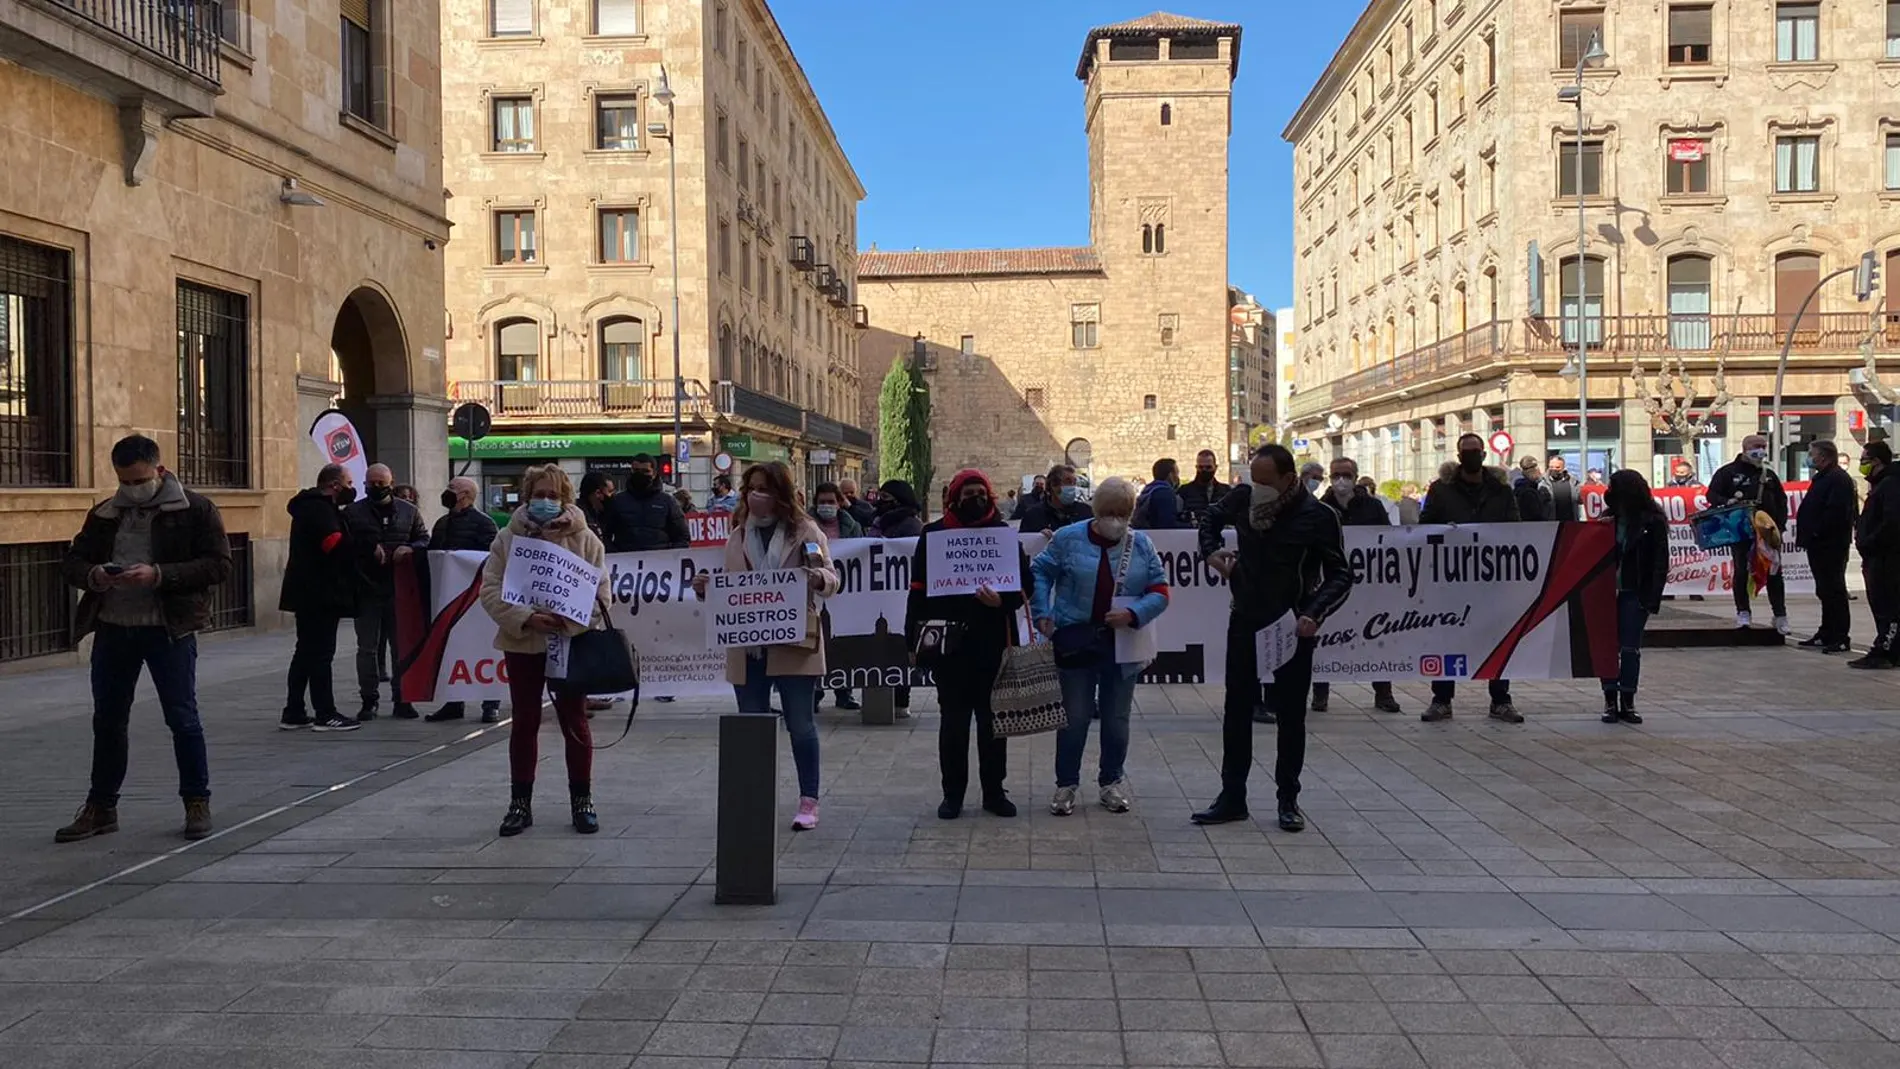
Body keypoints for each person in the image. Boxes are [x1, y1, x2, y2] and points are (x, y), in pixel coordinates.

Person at [56, 434, 232, 843]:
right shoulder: (105, 513)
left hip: (168, 629)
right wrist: (94, 575)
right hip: (114, 627)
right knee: (108, 720)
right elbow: (73, 561)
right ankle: (101, 807)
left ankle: (196, 802)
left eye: (139, 480)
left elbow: (219, 565)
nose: (132, 489)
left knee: (182, 717)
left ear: (160, 470)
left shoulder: (196, 509)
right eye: (124, 482)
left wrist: (159, 575)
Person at [1194, 444, 1352, 832]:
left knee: (1290, 715)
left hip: (1291, 622)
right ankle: (1232, 796)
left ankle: (1288, 798)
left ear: (1288, 478)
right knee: (1237, 710)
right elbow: (1209, 519)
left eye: (1266, 482)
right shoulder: (1245, 498)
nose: (1257, 488)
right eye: (1254, 480)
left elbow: (1341, 574)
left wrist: (1314, 612)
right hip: (1246, 615)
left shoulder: (1318, 516)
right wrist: (1212, 553)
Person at [692, 462, 840, 829]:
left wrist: (817, 576)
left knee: (801, 724)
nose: (756, 495)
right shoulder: (737, 536)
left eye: (764, 488)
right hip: (748, 648)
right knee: (752, 726)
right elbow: (731, 585)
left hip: (793, 642)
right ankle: (755, 796)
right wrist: (707, 589)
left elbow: (831, 578)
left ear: (781, 493)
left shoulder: (805, 530)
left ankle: (809, 800)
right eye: (751, 488)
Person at [478, 465, 611, 836]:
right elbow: (490, 590)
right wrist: (525, 617)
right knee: (524, 722)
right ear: (527, 496)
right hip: (523, 643)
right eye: (539, 495)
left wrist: (569, 621)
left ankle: (582, 801)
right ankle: (519, 803)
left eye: (553, 496)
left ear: (565, 499)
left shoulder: (586, 541)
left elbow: (602, 596)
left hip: (570, 643)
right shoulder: (507, 539)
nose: (546, 502)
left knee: (574, 721)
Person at [1031, 477, 1170, 817]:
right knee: (1074, 717)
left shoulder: (1141, 545)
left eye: (1122, 513)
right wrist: (1042, 612)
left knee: (1116, 718)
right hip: (1076, 640)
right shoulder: (1068, 538)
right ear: (1096, 510)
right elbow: (1040, 571)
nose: (1115, 519)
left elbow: (1160, 591)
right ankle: (1066, 784)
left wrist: (1134, 613)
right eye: (1109, 512)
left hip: (1122, 645)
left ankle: (1111, 782)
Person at [908, 470, 1031, 819]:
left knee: (994, 724)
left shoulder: (1003, 536)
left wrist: (1002, 603)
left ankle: (994, 792)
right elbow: (916, 592)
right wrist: (912, 640)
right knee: (953, 725)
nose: (974, 498)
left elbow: (1026, 586)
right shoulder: (933, 535)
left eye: (980, 492)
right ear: (954, 497)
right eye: (967, 493)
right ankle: (953, 795)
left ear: (990, 496)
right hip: (949, 647)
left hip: (994, 644)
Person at [1420, 434, 1523, 723]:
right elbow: (1425, 525)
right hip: (1452, 580)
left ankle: (1501, 700)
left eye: (1476, 452)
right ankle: (1441, 699)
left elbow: (1515, 527)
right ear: (1459, 455)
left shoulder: (1501, 490)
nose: (1472, 457)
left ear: (1483, 455)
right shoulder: (1441, 490)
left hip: (1492, 579)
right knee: (1446, 638)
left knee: (1499, 636)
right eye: (1467, 453)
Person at [1312, 458, 1400, 714]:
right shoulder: (1321, 508)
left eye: (1347, 474)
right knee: (1325, 637)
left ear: (1355, 476)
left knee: (1376, 636)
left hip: (1369, 584)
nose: (1341, 480)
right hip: (1331, 583)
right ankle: (1320, 693)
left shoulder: (1373, 506)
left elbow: (1388, 539)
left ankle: (1383, 693)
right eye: (1337, 474)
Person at [344, 463, 429, 720]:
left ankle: (403, 699)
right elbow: (345, 544)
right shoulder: (352, 512)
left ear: (391, 483)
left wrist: (411, 548)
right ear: (365, 484)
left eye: (382, 483)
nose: (377, 487)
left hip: (400, 589)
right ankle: (369, 699)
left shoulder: (409, 512)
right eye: (372, 483)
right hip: (366, 588)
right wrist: (367, 549)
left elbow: (424, 539)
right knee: (366, 648)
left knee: (400, 647)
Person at [279, 464, 361, 733]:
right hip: (320, 593)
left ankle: (294, 711)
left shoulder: (309, 506)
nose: (352, 487)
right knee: (321, 653)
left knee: (305, 651)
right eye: (349, 482)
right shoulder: (320, 509)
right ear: (335, 485)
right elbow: (333, 544)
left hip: (308, 591)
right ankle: (325, 712)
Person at [426, 477, 504, 724]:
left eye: (452, 489)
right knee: (451, 647)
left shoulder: (484, 524)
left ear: (466, 494)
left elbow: (491, 559)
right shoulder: (442, 523)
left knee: (484, 648)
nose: (447, 492)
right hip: (449, 598)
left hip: (476, 600)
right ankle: (453, 702)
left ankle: (490, 703)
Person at [1597, 469, 1669, 724]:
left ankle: (1627, 700)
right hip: (1605, 592)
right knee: (1606, 648)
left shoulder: (1653, 521)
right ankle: (1609, 699)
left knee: (1629, 648)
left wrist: (1651, 598)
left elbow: (1660, 562)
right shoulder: (1607, 518)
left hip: (1634, 591)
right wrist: (1598, 531)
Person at [1708, 434, 1789, 633]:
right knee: (1742, 572)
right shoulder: (1727, 473)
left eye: (1763, 446)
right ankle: (1743, 613)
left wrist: (1779, 526)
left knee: (1774, 573)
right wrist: (1726, 502)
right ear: (1745, 448)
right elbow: (1711, 495)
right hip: (1740, 531)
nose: (1760, 449)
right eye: (1756, 446)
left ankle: (1780, 616)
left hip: (1767, 532)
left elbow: (1781, 502)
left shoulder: (1768, 475)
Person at [1795, 440, 1858, 653]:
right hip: (1818, 543)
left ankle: (1839, 635)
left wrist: (1816, 532)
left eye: (1812, 453)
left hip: (1830, 544)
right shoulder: (1823, 477)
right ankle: (1826, 631)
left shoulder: (1837, 479)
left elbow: (1836, 513)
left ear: (1823, 456)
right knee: (1824, 589)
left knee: (1834, 590)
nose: (1809, 457)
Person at [811, 482, 865, 712]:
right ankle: (814, 693)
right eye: (822, 502)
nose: (826, 506)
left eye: (831, 502)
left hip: (846, 592)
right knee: (815, 642)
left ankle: (845, 692)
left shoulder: (852, 526)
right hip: (815, 593)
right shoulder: (805, 527)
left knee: (842, 642)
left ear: (840, 503)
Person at [1850, 441, 1900, 669]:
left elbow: (1891, 522)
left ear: (1877, 462)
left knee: (1888, 606)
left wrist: (1871, 542)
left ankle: (1885, 650)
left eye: (1864, 461)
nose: (1862, 466)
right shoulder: (1881, 484)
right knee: (1882, 603)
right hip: (1878, 555)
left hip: (1886, 557)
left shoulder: (1890, 485)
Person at [604, 454, 691, 553]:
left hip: (660, 562)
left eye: (645, 471)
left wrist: (669, 556)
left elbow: (682, 537)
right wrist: (615, 554)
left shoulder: (668, 502)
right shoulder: (617, 501)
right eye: (636, 471)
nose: (640, 474)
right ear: (631, 471)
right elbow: (605, 534)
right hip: (625, 562)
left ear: (654, 474)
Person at [1017, 463, 1092, 534]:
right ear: (1053, 485)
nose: (1072, 486)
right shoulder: (1033, 515)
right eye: (1068, 482)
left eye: (1074, 482)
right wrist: (1038, 537)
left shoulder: (1086, 512)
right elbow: (1025, 542)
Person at [1177, 449, 1229, 526]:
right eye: (1201, 467)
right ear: (1196, 467)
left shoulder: (1226, 491)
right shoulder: (1184, 491)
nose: (1204, 470)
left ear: (1215, 467)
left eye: (1208, 467)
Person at [1133, 458, 1188, 530]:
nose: (1177, 477)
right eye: (1177, 473)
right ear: (1170, 475)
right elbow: (1167, 524)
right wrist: (1190, 525)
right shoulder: (1164, 493)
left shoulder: (1149, 489)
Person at [576, 472, 615, 542]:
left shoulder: (603, 513)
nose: (612, 496)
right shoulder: (578, 514)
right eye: (610, 491)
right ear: (598, 493)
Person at [1514, 456, 1553, 522]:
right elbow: (1537, 515)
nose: (1540, 472)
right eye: (1538, 469)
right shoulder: (1528, 492)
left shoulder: (1522, 488)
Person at [1543, 455, 1581, 520]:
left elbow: (1580, 499)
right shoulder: (1543, 483)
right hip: (1552, 524)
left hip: (1571, 523)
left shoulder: (1573, 482)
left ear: (1563, 468)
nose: (1554, 469)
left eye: (1557, 467)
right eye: (1551, 467)